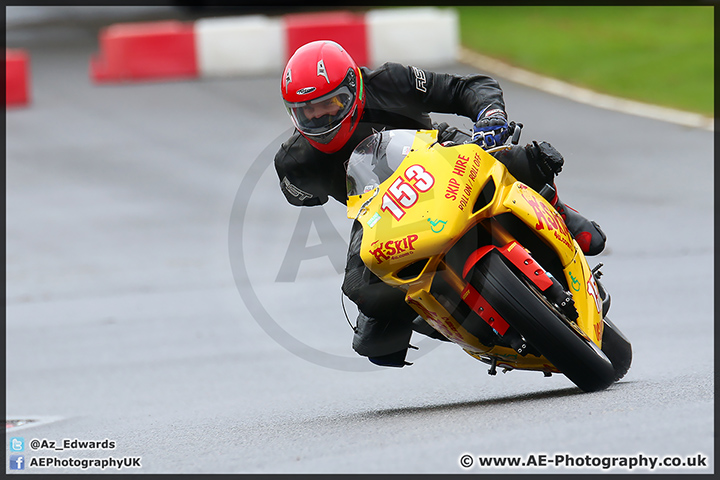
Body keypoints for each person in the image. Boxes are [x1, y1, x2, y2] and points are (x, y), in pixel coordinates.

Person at [274, 40, 606, 367]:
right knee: (367, 311)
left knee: (522, 159)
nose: (319, 117)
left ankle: (561, 213)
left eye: (330, 103)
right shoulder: (295, 162)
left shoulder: (389, 82)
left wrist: (490, 115)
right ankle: (439, 313)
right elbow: (302, 195)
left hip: (441, 154)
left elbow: (466, 87)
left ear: (354, 88)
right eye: (307, 111)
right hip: (380, 209)